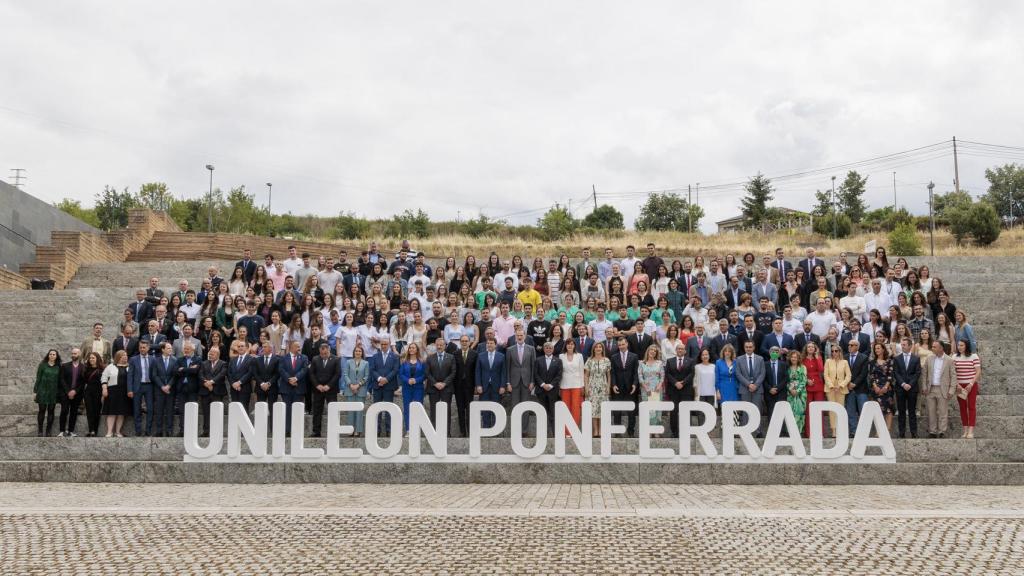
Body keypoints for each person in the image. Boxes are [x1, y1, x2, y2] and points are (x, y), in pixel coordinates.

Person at [921, 340, 955, 438]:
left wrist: (951, 390)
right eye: (932, 346)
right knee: (931, 411)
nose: (932, 348)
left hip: (942, 389)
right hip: (930, 389)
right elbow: (924, 374)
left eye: (935, 347)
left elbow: (953, 376)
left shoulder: (949, 360)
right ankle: (932, 431)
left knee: (943, 412)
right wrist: (924, 387)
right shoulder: (929, 358)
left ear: (941, 348)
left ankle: (942, 432)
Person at [505, 330, 536, 434]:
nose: (519, 337)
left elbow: (533, 366)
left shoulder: (531, 349)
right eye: (517, 335)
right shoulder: (510, 350)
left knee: (525, 406)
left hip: (527, 382)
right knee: (515, 406)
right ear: (515, 337)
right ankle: (516, 429)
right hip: (514, 383)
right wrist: (508, 383)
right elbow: (507, 367)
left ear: (525, 336)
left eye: (521, 335)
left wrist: (532, 382)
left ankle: (524, 430)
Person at [277, 340, 309, 436]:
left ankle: (296, 430)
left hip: (299, 388)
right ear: (291, 347)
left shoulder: (304, 357)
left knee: (297, 410)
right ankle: (287, 430)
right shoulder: (283, 358)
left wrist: (295, 378)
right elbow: (281, 370)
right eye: (297, 346)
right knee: (287, 410)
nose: (299, 348)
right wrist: (289, 379)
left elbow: (304, 369)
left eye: (299, 346)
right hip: (286, 388)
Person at [309, 342, 341, 437]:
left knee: (332, 411)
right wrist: (317, 385)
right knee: (317, 411)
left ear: (329, 351)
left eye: (325, 354)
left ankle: (333, 431)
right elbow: (311, 374)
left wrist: (328, 386)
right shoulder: (315, 359)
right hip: (318, 390)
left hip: (331, 390)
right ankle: (316, 431)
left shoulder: (336, 359)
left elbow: (337, 374)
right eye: (322, 354)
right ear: (319, 351)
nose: (323, 356)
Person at [610, 337, 640, 436]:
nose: (621, 347)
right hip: (617, 388)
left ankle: (631, 431)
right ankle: (617, 432)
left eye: (623, 344)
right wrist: (613, 385)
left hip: (631, 388)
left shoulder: (634, 356)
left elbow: (636, 372)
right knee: (617, 411)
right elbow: (613, 373)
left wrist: (635, 384)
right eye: (619, 345)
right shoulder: (614, 357)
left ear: (627, 344)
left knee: (631, 411)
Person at [893, 337, 922, 438]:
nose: (902, 347)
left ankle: (914, 432)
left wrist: (910, 384)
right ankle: (902, 433)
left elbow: (918, 373)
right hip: (900, 388)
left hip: (912, 389)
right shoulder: (897, 358)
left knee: (912, 411)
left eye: (904, 345)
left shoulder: (916, 358)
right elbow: (895, 373)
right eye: (902, 345)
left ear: (910, 346)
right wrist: (903, 384)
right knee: (901, 411)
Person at [952, 339, 981, 439]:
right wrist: (957, 384)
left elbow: (978, 372)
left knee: (971, 406)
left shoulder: (974, 356)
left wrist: (971, 383)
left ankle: (971, 431)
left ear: (966, 346)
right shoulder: (954, 357)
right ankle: (965, 430)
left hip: (971, 386)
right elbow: (952, 372)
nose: (959, 347)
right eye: (958, 345)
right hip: (959, 386)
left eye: (962, 345)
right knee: (962, 407)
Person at [664, 343, 695, 437]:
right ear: (676, 350)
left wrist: (683, 383)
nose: (680, 350)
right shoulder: (669, 361)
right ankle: (674, 432)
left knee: (685, 412)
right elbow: (667, 374)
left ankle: (686, 432)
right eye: (678, 349)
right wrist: (675, 383)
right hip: (673, 390)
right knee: (673, 413)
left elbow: (692, 374)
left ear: (685, 351)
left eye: (682, 349)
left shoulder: (691, 361)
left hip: (686, 390)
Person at [736, 340, 765, 437]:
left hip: (757, 388)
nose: (748, 348)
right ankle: (745, 432)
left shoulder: (760, 359)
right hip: (745, 389)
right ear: (744, 348)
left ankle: (758, 432)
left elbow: (762, 373)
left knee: (757, 410)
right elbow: (738, 374)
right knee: (745, 411)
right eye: (746, 347)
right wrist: (748, 384)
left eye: (750, 347)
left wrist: (755, 385)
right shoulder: (739, 359)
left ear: (754, 347)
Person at [425, 336, 456, 428]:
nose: (439, 347)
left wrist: (444, 383)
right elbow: (427, 373)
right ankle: (434, 430)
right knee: (433, 410)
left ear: (445, 346)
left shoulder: (451, 357)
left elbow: (453, 372)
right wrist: (435, 383)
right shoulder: (430, 358)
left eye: (441, 345)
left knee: (447, 410)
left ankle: (447, 431)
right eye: (437, 345)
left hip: (446, 388)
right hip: (433, 388)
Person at [533, 341, 563, 434]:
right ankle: (542, 433)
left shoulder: (558, 361)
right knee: (542, 412)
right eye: (546, 348)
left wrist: (550, 385)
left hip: (552, 391)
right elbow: (536, 374)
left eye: (550, 348)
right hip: (541, 390)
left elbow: (559, 375)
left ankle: (554, 433)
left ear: (553, 349)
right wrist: (542, 384)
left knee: (552, 413)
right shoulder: (538, 360)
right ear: (544, 349)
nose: (548, 349)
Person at [101, 350, 131, 437]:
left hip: (125, 392)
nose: (125, 357)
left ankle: (118, 432)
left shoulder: (130, 367)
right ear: (118, 357)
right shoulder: (111, 366)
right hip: (112, 391)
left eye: (126, 355)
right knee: (112, 412)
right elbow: (104, 377)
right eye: (123, 356)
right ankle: (109, 432)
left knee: (121, 413)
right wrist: (104, 388)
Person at [198, 346, 228, 437]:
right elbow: (200, 374)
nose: (210, 354)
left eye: (212, 353)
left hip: (217, 392)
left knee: (216, 413)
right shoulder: (204, 363)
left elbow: (221, 375)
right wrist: (206, 383)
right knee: (206, 413)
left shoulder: (223, 364)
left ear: (218, 354)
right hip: (205, 391)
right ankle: (206, 431)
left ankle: (216, 432)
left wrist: (211, 382)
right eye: (209, 353)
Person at [584, 341, 611, 437]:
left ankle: (601, 430)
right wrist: (586, 388)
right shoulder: (589, 360)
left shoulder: (607, 360)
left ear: (602, 349)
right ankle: (595, 431)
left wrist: (608, 387)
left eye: (600, 347)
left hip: (603, 388)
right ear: (594, 349)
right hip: (592, 387)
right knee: (594, 409)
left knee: (602, 409)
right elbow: (586, 375)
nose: (598, 348)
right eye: (596, 347)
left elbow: (608, 375)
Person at [398, 342, 427, 434]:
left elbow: (424, 375)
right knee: (407, 409)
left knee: (418, 408)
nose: (411, 349)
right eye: (410, 348)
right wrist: (407, 380)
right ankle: (408, 430)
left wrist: (416, 380)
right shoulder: (404, 362)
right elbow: (401, 374)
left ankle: (417, 430)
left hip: (418, 388)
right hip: (407, 388)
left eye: (413, 348)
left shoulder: (422, 362)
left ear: (417, 350)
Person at [342, 344, 369, 436]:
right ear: (354, 352)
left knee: (359, 411)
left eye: (360, 351)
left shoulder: (366, 363)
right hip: (350, 389)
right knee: (350, 411)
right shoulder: (348, 362)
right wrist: (351, 385)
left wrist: (358, 385)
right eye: (356, 351)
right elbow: (345, 374)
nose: (358, 352)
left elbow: (366, 376)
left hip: (361, 390)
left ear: (362, 353)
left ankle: (358, 430)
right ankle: (350, 430)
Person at [151, 342, 178, 437]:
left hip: (170, 389)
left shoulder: (175, 360)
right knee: (159, 410)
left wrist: (169, 386)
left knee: (170, 410)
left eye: (171, 348)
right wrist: (162, 386)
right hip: (159, 389)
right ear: (163, 349)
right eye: (168, 348)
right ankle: (159, 430)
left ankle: (169, 430)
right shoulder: (155, 360)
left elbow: (175, 376)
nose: (170, 350)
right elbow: (154, 375)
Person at [56, 348, 84, 437]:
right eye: (72, 353)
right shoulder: (64, 366)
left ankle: (71, 431)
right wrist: (68, 391)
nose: (73, 355)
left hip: (77, 394)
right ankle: (61, 431)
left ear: (79, 354)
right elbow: (62, 379)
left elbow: (83, 382)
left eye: (75, 353)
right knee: (64, 411)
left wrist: (75, 391)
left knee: (74, 412)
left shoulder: (83, 367)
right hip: (65, 393)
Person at [868, 341, 895, 432]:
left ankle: (887, 430)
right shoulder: (872, 362)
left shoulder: (889, 361)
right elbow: (871, 375)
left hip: (887, 388)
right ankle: (879, 432)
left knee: (888, 409)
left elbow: (890, 374)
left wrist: (886, 387)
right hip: (875, 389)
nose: (876, 350)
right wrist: (875, 387)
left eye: (878, 348)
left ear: (883, 349)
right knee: (877, 411)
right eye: (875, 349)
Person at [33, 349, 61, 437]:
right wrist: (35, 391)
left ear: (56, 356)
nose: (52, 356)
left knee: (51, 411)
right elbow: (38, 378)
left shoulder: (59, 367)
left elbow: (60, 381)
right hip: (42, 391)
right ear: (48, 355)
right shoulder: (42, 365)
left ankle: (48, 431)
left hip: (53, 392)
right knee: (42, 410)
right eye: (51, 354)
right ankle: (40, 430)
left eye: (54, 354)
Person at [845, 339, 870, 437]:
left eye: (852, 345)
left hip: (861, 389)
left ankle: (864, 432)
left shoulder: (863, 357)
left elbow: (863, 373)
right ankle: (853, 432)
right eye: (849, 345)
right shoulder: (845, 357)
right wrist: (847, 384)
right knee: (851, 411)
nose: (849, 346)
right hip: (848, 389)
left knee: (863, 411)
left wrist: (854, 384)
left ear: (857, 347)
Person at [559, 337, 585, 426]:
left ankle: (575, 430)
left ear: (574, 346)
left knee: (576, 407)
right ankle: (566, 432)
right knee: (565, 408)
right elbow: (560, 372)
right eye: (568, 344)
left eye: (572, 344)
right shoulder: (561, 356)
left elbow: (581, 371)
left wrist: (582, 386)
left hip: (577, 385)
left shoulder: (579, 356)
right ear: (565, 345)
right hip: (564, 384)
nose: (570, 346)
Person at [802, 342, 825, 437]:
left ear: (815, 349)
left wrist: (817, 357)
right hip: (807, 386)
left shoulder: (818, 358)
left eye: (812, 347)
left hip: (818, 386)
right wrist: (806, 380)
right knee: (808, 410)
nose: (811, 348)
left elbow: (821, 369)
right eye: (809, 347)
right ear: (806, 349)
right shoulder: (803, 359)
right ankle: (809, 433)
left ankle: (821, 433)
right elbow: (801, 372)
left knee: (819, 409)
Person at [763, 345, 788, 426]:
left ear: (779, 354)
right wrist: (770, 389)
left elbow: (786, 378)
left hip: (781, 392)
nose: (774, 353)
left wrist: (777, 388)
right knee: (770, 412)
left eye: (777, 352)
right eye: (773, 351)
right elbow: (763, 378)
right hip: (769, 392)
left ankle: (781, 432)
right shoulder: (764, 364)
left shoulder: (784, 364)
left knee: (780, 412)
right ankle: (771, 431)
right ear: (769, 353)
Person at [81, 352, 105, 437]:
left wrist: (103, 394)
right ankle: (91, 430)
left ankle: (95, 430)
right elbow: (83, 382)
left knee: (96, 412)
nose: (91, 359)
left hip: (98, 392)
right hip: (88, 392)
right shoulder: (86, 369)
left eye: (93, 358)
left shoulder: (102, 369)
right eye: (90, 358)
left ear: (97, 359)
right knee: (89, 411)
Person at [715, 344, 739, 424]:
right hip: (723, 387)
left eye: (729, 351)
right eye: (726, 351)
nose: (727, 353)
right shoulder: (718, 362)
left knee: (735, 408)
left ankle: (735, 429)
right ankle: (724, 428)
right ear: (723, 352)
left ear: (732, 353)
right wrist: (717, 391)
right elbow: (717, 378)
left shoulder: (736, 362)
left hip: (734, 387)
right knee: (725, 408)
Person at [785, 350, 807, 435]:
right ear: (790, 358)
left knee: (800, 412)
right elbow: (785, 380)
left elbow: (804, 380)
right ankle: (790, 433)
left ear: (798, 358)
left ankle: (799, 432)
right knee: (790, 412)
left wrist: (797, 391)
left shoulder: (803, 367)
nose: (794, 359)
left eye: (796, 357)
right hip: (789, 393)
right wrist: (790, 389)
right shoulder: (787, 368)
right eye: (792, 357)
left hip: (801, 393)